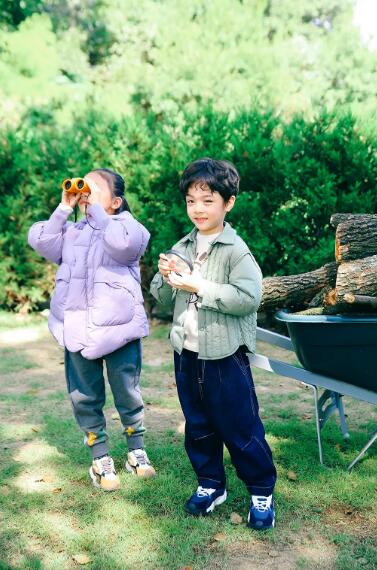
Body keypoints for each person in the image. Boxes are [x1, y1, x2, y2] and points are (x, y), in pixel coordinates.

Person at [150, 158, 276, 529]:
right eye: (191, 201)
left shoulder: (236, 250)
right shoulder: (183, 245)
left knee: (240, 426)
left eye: (207, 200)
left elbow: (248, 298)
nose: (198, 209)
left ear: (228, 203)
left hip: (224, 356)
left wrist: (199, 286)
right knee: (198, 424)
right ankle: (210, 485)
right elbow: (160, 298)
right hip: (187, 355)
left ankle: (261, 491)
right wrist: (163, 275)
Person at [28, 168, 156, 491]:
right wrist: (64, 208)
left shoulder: (129, 228)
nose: (85, 192)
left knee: (127, 392)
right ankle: (100, 456)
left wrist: (97, 213)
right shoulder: (74, 231)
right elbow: (40, 240)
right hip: (78, 330)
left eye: (93, 188)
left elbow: (124, 247)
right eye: (81, 185)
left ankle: (136, 450)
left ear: (115, 201)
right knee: (85, 396)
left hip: (118, 331)